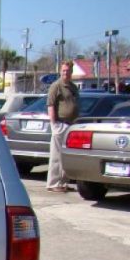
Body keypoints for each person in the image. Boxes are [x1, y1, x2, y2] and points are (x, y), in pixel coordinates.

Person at [46, 60, 79, 192]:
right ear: (60, 71)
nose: (66, 73)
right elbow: (50, 105)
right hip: (60, 124)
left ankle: (63, 183)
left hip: (71, 125)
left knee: (66, 156)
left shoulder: (73, 87)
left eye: (68, 71)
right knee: (56, 155)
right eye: (64, 71)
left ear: (72, 72)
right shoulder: (56, 86)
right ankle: (53, 183)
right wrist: (54, 124)